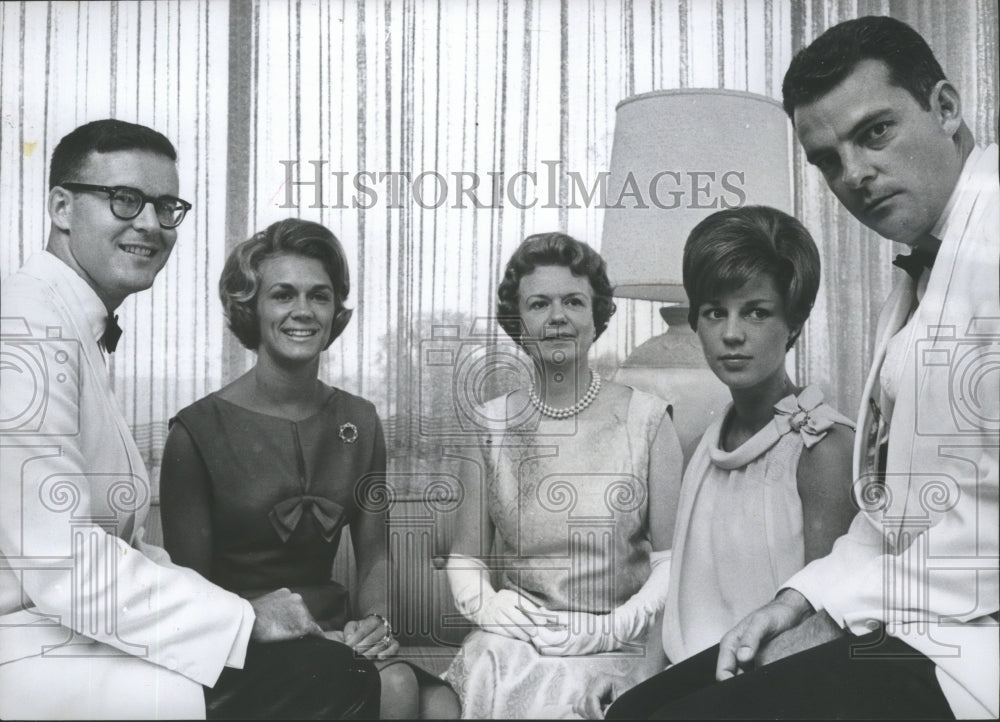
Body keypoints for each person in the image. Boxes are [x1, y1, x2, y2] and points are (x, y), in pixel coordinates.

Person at [606, 15, 999, 719]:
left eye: (875, 132)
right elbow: (891, 514)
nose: (854, 175)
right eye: (827, 158)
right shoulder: (920, 273)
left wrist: (837, 615)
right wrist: (793, 603)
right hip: (915, 622)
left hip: (973, 646)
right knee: (635, 710)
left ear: (945, 106)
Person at [0, 119, 379, 719]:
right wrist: (243, 617)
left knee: (331, 668)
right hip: (30, 652)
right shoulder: (26, 326)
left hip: (68, 632)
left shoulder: (69, 324)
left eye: (165, 206)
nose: (149, 224)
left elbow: (117, 545)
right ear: (61, 207)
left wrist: (241, 617)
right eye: (124, 199)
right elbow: (59, 561)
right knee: (328, 677)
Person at [159, 218, 460, 719]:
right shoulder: (194, 433)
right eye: (283, 295)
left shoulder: (360, 420)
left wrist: (377, 622)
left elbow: (376, 556)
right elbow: (191, 594)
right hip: (245, 646)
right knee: (399, 688)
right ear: (250, 308)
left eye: (319, 296)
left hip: (336, 633)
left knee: (442, 704)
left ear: (335, 311)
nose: (303, 311)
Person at [597, 205, 856, 718]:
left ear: (794, 325)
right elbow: (679, 601)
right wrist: (638, 681)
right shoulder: (704, 443)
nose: (732, 334)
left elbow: (822, 626)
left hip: (770, 682)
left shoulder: (821, 446)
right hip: (698, 673)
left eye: (757, 312)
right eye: (716, 312)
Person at [443, 232, 684, 718]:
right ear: (518, 321)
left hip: (616, 647)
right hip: (514, 644)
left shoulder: (649, 419)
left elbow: (671, 561)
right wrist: (489, 609)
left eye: (573, 301)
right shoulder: (489, 425)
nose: (557, 317)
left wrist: (614, 626)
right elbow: (465, 558)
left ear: (597, 317)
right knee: (491, 660)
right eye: (539, 304)